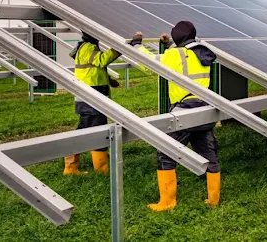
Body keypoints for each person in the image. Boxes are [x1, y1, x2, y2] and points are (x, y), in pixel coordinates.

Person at [130, 21, 220, 211]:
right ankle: (213, 199)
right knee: (209, 154)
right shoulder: (202, 52)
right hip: (204, 111)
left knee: (166, 153)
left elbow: (149, 64)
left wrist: (137, 45)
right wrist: (169, 44)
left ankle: (168, 202)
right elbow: (183, 60)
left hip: (184, 113)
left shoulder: (174, 55)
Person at [63, 32, 122, 176]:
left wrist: (108, 79)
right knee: (99, 132)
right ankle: (101, 170)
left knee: (83, 131)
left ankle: (70, 167)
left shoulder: (86, 47)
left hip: (89, 99)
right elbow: (101, 61)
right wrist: (119, 49)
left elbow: (92, 70)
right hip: (91, 100)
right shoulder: (87, 48)